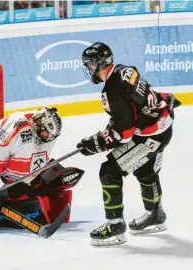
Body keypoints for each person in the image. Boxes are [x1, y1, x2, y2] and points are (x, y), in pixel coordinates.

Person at [77, 42, 181, 246]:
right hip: (163, 125)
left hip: (150, 136)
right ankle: (155, 215)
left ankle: (114, 226)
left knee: (109, 171)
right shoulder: (126, 70)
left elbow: (124, 133)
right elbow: (132, 110)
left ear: (99, 63)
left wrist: (97, 142)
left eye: (89, 65)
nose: (89, 70)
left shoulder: (111, 91)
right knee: (145, 171)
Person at [0, 106, 84, 228]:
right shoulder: (16, 127)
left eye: (50, 135)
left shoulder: (48, 135)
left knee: (47, 179)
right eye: (45, 133)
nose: (47, 137)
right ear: (38, 124)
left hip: (18, 176)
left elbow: (38, 158)